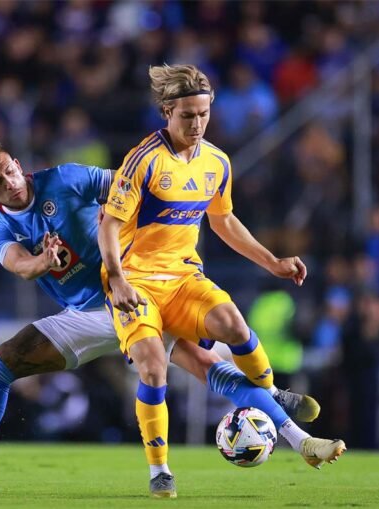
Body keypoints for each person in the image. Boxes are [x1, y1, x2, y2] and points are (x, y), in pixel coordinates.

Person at [0, 132, 335, 497]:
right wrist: (42, 261)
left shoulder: (65, 178)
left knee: (201, 360)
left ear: (14, 161)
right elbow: (19, 266)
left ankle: (299, 439)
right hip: (85, 313)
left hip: (134, 290)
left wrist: (140, 226)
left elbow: (128, 184)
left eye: (8, 171)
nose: (8, 183)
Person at [98, 64, 346, 498]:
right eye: (187, 116)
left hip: (182, 278)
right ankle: (160, 470)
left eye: (203, 114)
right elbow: (108, 225)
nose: (196, 124)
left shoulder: (216, 162)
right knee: (155, 370)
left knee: (233, 323)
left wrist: (271, 262)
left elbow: (224, 221)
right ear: (166, 112)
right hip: (136, 283)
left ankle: (271, 394)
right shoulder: (143, 160)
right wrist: (117, 279)